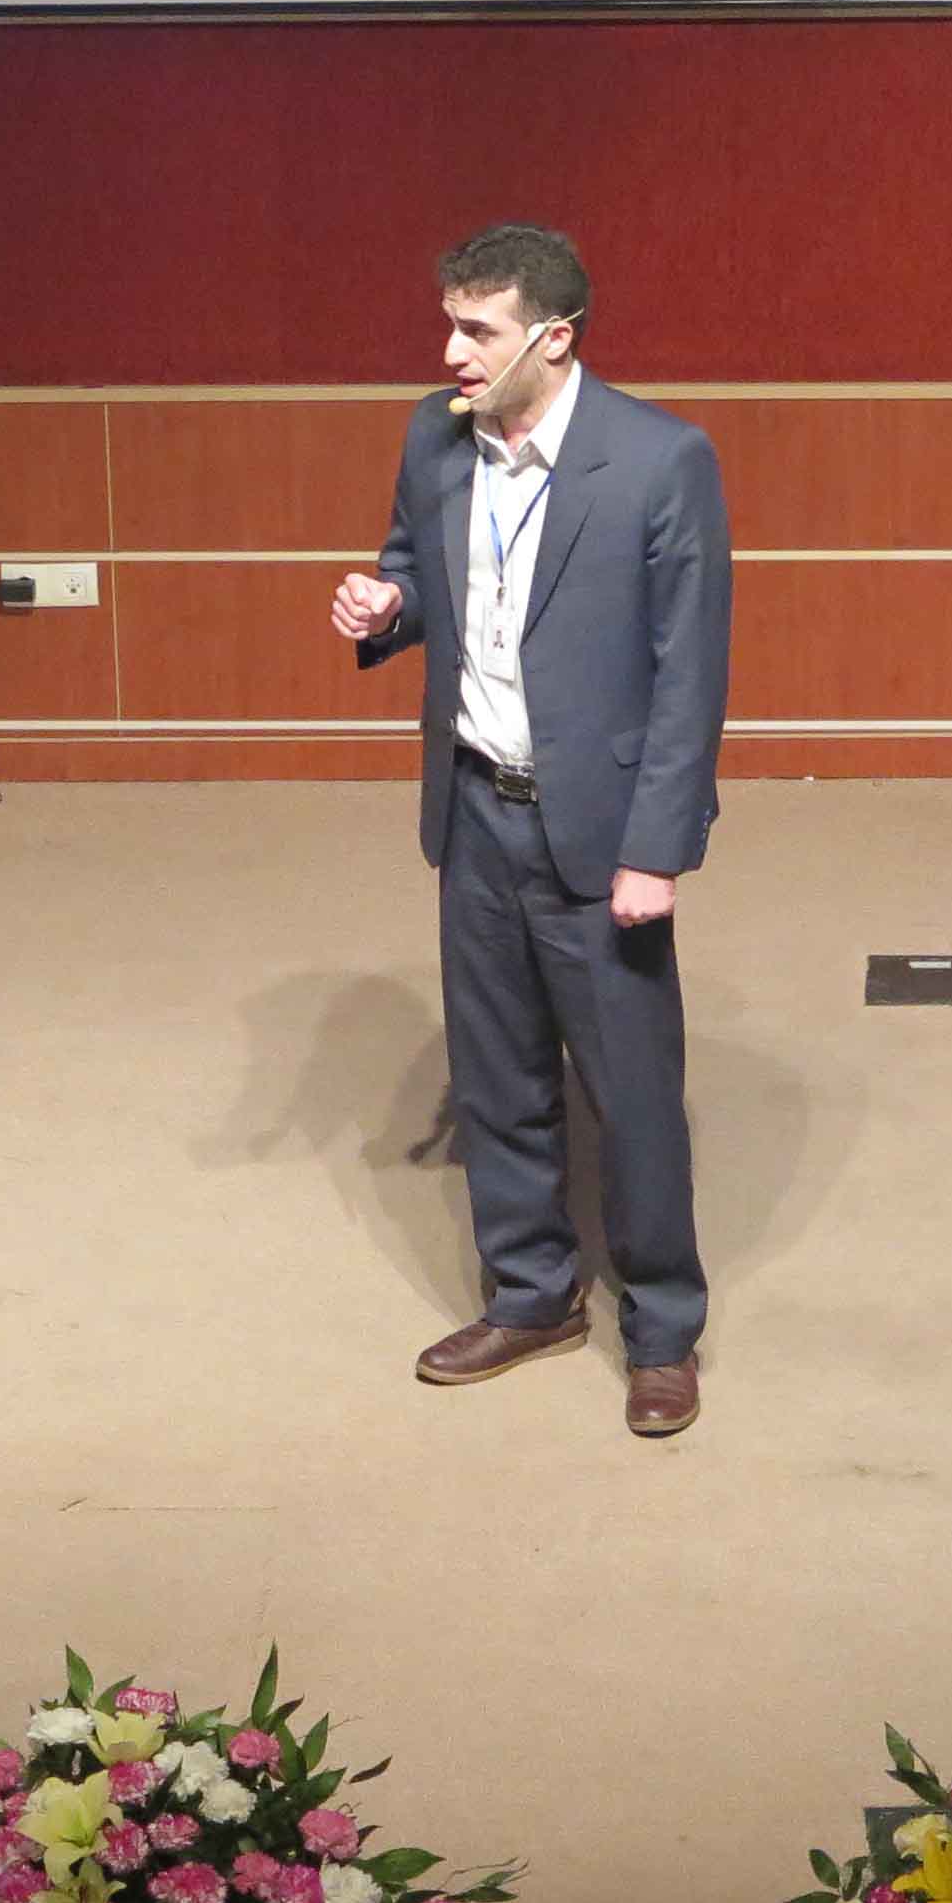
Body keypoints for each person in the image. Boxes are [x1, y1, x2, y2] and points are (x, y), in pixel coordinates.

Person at [326, 224, 733, 1436]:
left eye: (477, 331)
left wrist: (656, 849)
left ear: (553, 339)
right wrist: (387, 604)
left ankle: (660, 1330)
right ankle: (531, 1295)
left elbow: (689, 673)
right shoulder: (434, 437)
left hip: (599, 830)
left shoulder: (660, 460)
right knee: (497, 1078)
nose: (450, 352)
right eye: (448, 325)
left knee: (633, 1098)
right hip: (473, 813)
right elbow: (416, 566)